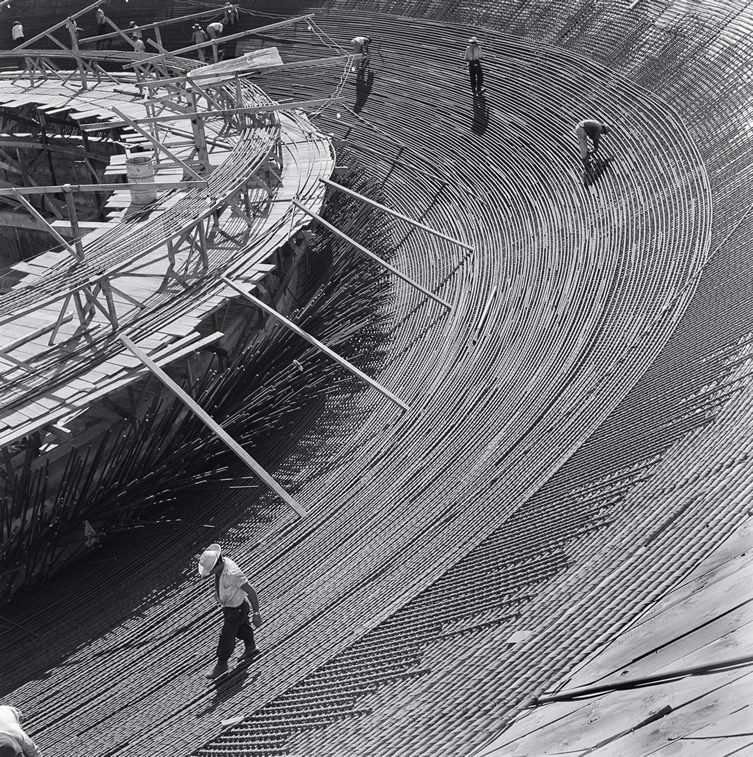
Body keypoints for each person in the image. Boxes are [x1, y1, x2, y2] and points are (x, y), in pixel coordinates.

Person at [198, 543, 263, 679]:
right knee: (242, 628)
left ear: (218, 564)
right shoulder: (222, 566)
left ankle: (221, 664)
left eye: (210, 570)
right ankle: (251, 647)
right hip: (233, 607)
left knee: (226, 636)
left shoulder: (232, 574)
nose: (209, 573)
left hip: (236, 609)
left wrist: (257, 613)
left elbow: (251, 591)